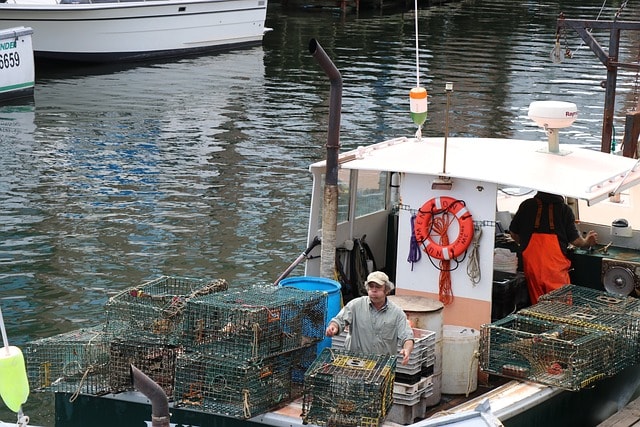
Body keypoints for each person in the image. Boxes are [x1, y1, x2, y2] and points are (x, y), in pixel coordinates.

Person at [509, 191, 597, 304]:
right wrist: (586, 242)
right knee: (560, 309)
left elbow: (513, 233)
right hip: (555, 270)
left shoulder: (527, 205)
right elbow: (575, 241)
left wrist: (525, 243)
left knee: (537, 307)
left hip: (532, 267)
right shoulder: (564, 210)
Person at [325, 271, 414, 365]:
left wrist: (407, 350)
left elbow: (407, 336)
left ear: (387, 290)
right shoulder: (355, 305)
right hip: (355, 363)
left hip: (382, 366)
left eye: (378, 287)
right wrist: (333, 327)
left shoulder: (397, 313)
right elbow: (339, 320)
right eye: (371, 287)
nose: (374, 290)